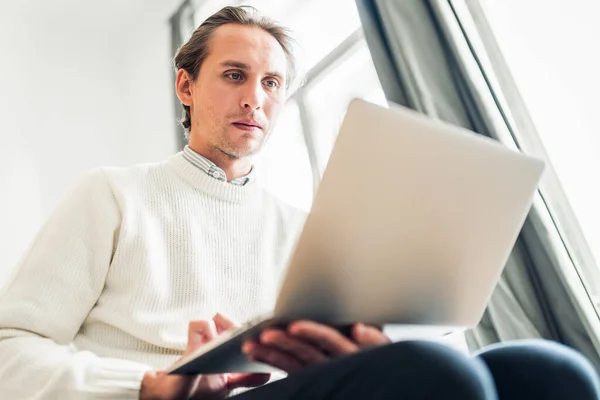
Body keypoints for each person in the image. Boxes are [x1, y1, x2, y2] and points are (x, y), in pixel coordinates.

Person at [0, 5, 598, 400]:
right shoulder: (113, 195)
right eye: (234, 75)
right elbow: (10, 355)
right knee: (437, 376)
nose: (254, 99)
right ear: (186, 86)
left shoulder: (302, 231)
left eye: (272, 83)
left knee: (551, 373)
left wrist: (353, 356)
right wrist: (150, 385)